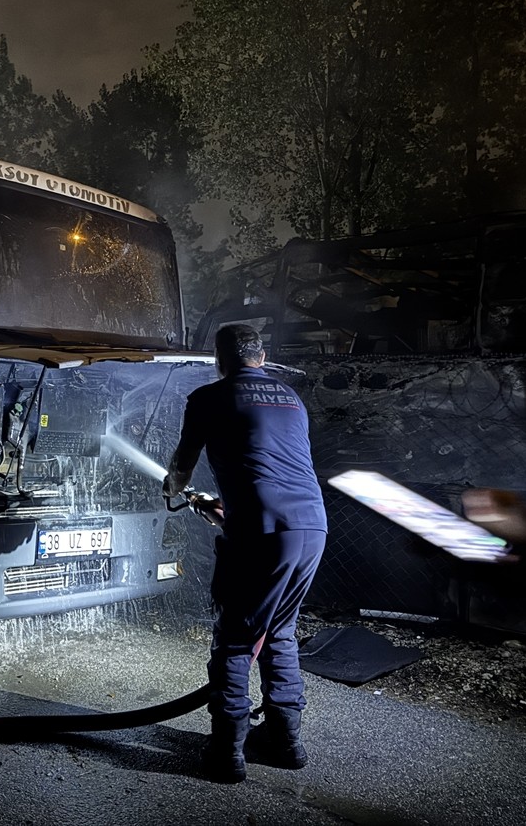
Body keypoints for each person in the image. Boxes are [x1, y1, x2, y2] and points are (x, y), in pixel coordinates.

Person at [163, 323, 327, 783]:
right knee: (279, 632)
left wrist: (174, 489)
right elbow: (274, 467)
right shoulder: (291, 400)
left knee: (236, 637)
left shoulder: (208, 398)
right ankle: (286, 742)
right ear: (262, 355)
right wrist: (228, 511)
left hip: (262, 527)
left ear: (219, 359)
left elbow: (182, 466)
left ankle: (227, 753)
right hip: (310, 526)